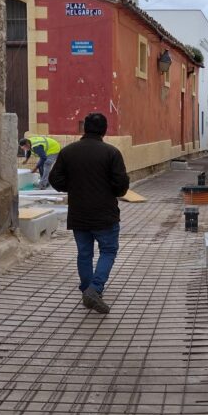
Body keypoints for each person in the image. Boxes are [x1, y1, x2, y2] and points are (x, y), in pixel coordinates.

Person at [48, 113, 129, 314]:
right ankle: (95, 289)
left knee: (84, 253)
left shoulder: (68, 152)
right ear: (104, 129)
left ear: (84, 128)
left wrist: (74, 187)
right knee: (108, 251)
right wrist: (110, 190)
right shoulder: (111, 152)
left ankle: (87, 289)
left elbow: (55, 179)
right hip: (105, 213)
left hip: (78, 213)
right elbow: (121, 185)